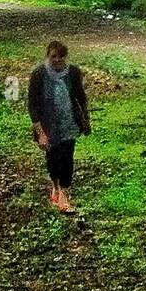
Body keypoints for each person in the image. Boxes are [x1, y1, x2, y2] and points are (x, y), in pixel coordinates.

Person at [27, 39, 91, 213]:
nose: (57, 60)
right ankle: (55, 185)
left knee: (67, 156)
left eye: (61, 56)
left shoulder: (73, 73)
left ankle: (64, 193)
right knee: (53, 157)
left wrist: (86, 119)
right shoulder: (39, 74)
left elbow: (81, 97)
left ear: (66, 57)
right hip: (48, 124)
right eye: (53, 56)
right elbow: (32, 105)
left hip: (68, 122)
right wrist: (40, 132)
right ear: (48, 56)